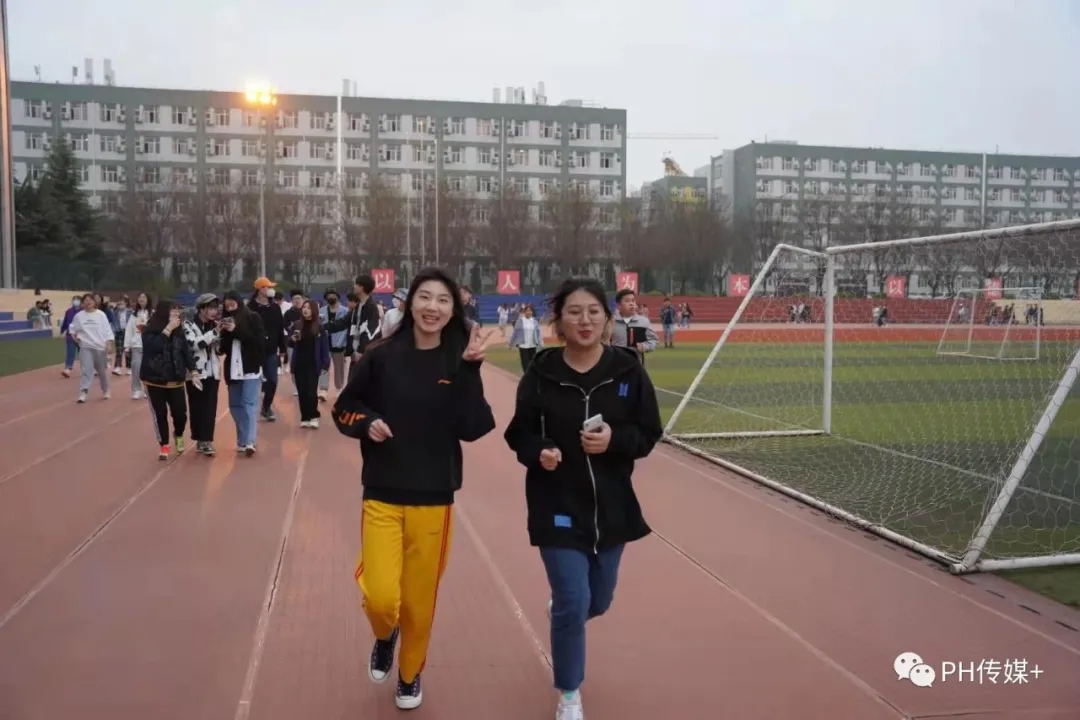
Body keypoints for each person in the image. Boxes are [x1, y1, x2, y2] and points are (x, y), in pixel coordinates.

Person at [331, 267, 496, 711]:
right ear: (409, 303)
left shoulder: (459, 359)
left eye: (443, 300)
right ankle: (385, 634)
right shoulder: (381, 356)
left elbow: (473, 427)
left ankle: (409, 673)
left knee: (420, 604)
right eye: (425, 297)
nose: (432, 307)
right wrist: (366, 422)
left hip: (434, 498)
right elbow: (344, 408)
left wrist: (470, 371)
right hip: (382, 492)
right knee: (382, 597)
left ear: (454, 309)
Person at [503, 277, 663, 720]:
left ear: (607, 319)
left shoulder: (628, 371)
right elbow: (518, 433)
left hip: (612, 506)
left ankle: (566, 611)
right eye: (574, 312)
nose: (584, 320)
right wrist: (539, 452)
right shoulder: (541, 374)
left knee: (599, 600)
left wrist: (615, 441)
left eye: (593, 312)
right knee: (573, 601)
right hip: (556, 502)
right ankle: (569, 693)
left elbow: (649, 433)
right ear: (559, 322)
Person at [138, 300, 196, 459]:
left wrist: (193, 370)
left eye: (178, 311)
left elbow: (185, 350)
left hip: (175, 379)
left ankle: (178, 433)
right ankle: (163, 444)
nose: (176, 314)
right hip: (154, 379)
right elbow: (154, 347)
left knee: (180, 414)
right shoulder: (149, 329)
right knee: (160, 414)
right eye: (173, 311)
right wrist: (168, 329)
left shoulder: (179, 330)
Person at [220, 290, 266, 456]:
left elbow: (258, 342)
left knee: (249, 404)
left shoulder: (253, 317)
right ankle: (243, 438)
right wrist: (222, 333)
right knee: (235, 405)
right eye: (227, 306)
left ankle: (250, 441)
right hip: (233, 369)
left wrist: (236, 330)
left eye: (232, 305)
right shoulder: (226, 320)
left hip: (250, 367)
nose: (230, 309)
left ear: (239, 303)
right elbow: (223, 349)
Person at [183, 293, 222, 455]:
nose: (214, 312)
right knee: (197, 407)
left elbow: (220, 350)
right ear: (201, 309)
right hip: (196, 374)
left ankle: (206, 440)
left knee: (210, 408)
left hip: (213, 372)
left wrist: (221, 338)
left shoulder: (215, 325)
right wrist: (214, 333)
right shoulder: (188, 324)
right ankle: (199, 438)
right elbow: (194, 344)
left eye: (215, 308)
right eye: (210, 308)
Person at [248, 277, 287, 422]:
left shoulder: (275, 307)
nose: (271, 290)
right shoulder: (250, 308)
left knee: (272, 380)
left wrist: (282, 347)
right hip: (254, 351)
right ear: (260, 289)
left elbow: (280, 328)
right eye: (268, 287)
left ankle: (266, 407)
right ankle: (250, 408)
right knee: (253, 381)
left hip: (271, 350)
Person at [288, 299, 331, 428]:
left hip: (313, 364)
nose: (305, 310)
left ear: (314, 310)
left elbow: (324, 347)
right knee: (302, 392)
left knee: (311, 391)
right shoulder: (296, 325)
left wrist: (325, 364)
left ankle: (313, 416)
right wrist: (292, 339)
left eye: (308, 308)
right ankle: (305, 417)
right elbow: (289, 342)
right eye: (304, 307)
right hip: (299, 363)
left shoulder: (319, 327)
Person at [68, 293, 115, 403]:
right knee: (86, 370)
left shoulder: (101, 315)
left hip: (100, 347)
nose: (88, 302)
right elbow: (72, 329)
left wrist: (109, 344)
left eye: (90, 300)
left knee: (102, 372)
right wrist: (74, 338)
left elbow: (107, 331)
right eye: (85, 300)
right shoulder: (79, 316)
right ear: (82, 303)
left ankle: (106, 390)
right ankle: (83, 392)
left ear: (94, 302)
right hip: (86, 347)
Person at [609, 288, 658, 364]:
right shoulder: (611, 322)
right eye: (627, 301)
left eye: (633, 301)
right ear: (618, 305)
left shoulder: (643, 321)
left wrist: (645, 346)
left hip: (636, 365)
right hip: (616, 366)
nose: (631, 304)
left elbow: (653, 340)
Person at [318, 288, 351, 401]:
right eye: (328, 296)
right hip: (325, 343)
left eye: (333, 295)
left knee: (339, 368)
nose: (331, 297)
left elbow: (347, 328)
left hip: (339, 343)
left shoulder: (345, 311)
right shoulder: (321, 311)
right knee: (324, 366)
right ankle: (323, 390)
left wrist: (346, 343)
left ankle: (339, 388)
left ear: (338, 297)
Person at [124, 293, 152, 400]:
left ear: (148, 299)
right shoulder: (133, 315)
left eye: (144, 297)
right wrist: (127, 346)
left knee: (149, 368)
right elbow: (129, 330)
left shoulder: (152, 314)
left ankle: (147, 389)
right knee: (136, 367)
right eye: (140, 297)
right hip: (137, 345)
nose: (141, 299)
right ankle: (136, 389)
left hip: (149, 345)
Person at [509, 303, 543, 373]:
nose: (528, 312)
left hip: (532, 345)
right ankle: (526, 376)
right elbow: (515, 333)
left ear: (532, 312)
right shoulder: (520, 321)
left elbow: (538, 333)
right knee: (525, 363)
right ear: (524, 312)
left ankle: (530, 376)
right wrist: (511, 343)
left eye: (530, 311)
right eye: (527, 311)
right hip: (523, 345)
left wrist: (541, 342)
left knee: (532, 362)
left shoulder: (535, 321)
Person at [59, 295, 83, 378]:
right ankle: (67, 369)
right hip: (70, 335)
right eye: (74, 300)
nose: (75, 301)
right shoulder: (69, 311)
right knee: (70, 352)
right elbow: (66, 321)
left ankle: (86, 368)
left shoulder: (84, 311)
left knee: (83, 353)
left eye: (77, 300)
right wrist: (62, 329)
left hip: (81, 335)